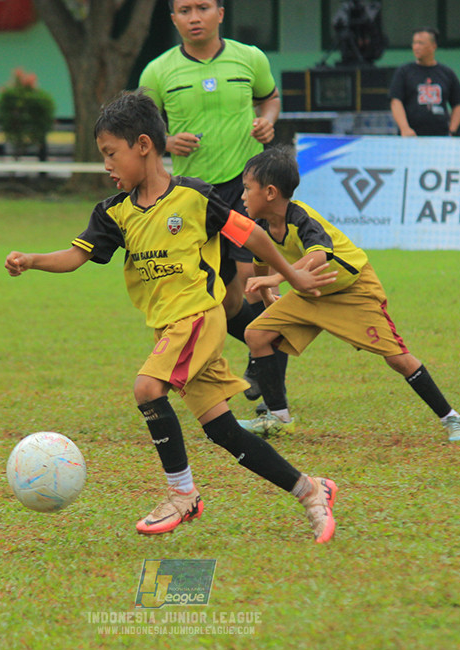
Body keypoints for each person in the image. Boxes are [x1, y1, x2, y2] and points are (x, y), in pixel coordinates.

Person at [4, 92, 339, 542]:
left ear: (143, 145)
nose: (106, 165)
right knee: (223, 430)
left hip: (199, 316)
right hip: (170, 329)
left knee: (147, 388)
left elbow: (253, 234)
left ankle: (182, 495)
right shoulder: (114, 212)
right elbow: (74, 256)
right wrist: (32, 259)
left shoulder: (195, 197)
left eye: (110, 154)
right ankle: (311, 490)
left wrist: (292, 275)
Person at [233, 146, 460, 444]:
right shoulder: (261, 225)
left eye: (246, 188)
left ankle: (451, 417)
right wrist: (268, 295)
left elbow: (319, 255)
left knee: (398, 359)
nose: (242, 196)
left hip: (352, 290)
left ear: (270, 192)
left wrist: (278, 277)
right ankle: (278, 419)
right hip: (310, 292)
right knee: (256, 335)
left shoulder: (301, 217)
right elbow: (260, 260)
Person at [139, 0, 287, 406]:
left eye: (202, 7)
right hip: (192, 196)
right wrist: (166, 141)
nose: (194, 17)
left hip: (245, 190)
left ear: (220, 13)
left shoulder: (248, 59)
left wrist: (267, 119)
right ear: (174, 20)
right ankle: (270, 344)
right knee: (226, 296)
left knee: (247, 281)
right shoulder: (158, 71)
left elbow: (270, 98)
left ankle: (267, 370)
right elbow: (140, 126)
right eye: (184, 10)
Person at [388, 27, 460, 137]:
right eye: (414, 43)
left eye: (421, 43)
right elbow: (395, 101)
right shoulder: (404, 72)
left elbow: (458, 104)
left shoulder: (447, 73)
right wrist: (405, 128)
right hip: (411, 138)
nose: (416, 47)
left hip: (441, 138)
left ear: (433, 46)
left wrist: (452, 132)